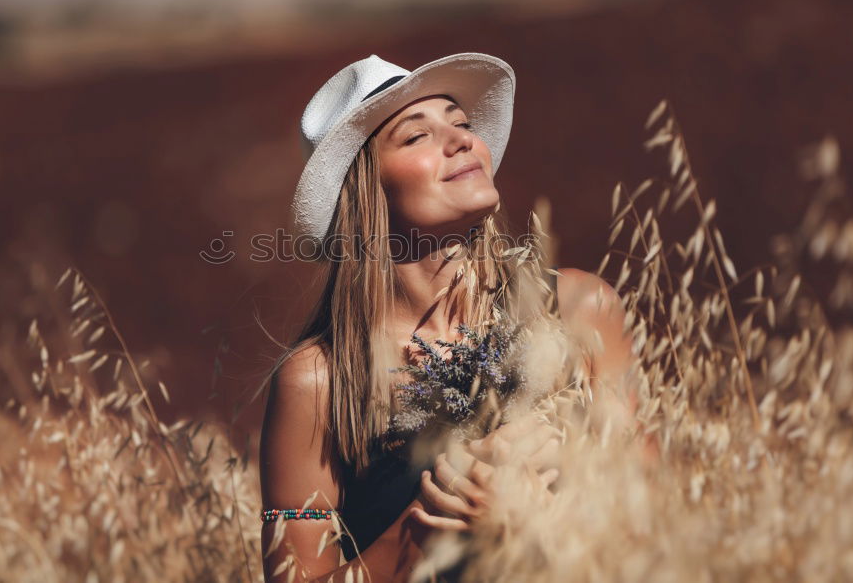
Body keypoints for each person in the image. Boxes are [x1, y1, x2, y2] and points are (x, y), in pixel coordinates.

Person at [258, 53, 635, 582]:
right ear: (365, 191)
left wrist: (540, 517)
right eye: (416, 137)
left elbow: (660, 520)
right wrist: (420, 536)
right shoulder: (320, 379)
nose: (461, 139)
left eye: (460, 124)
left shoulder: (579, 311)